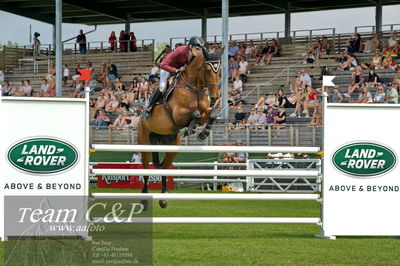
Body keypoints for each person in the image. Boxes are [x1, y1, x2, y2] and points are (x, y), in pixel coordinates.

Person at [141, 36, 205, 120]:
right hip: (167, 68)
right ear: (190, 47)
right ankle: (148, 108)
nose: (198, 51)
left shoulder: (194, 55)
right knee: (162, 87)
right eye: (197, 49)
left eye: (199, 49)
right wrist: (175, 70)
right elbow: (163, 65)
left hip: (179, 70)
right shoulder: (180, 50)